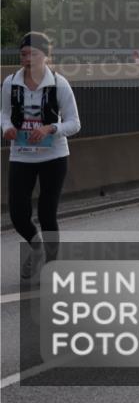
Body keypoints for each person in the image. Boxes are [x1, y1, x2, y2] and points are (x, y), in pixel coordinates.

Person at [2, 32, 81, 280]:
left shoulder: (59, 84)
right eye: (24, 54)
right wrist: (6, 128)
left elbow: (75, 123)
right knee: (17, 214)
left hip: (53, 156)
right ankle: (35, 246)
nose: (27, 58)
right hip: (21, 155)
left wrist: (51, 128)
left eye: (33, 53)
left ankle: (52, 263)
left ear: (45, 56)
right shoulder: (10, 83)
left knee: (47, 214)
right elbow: (4, 114)